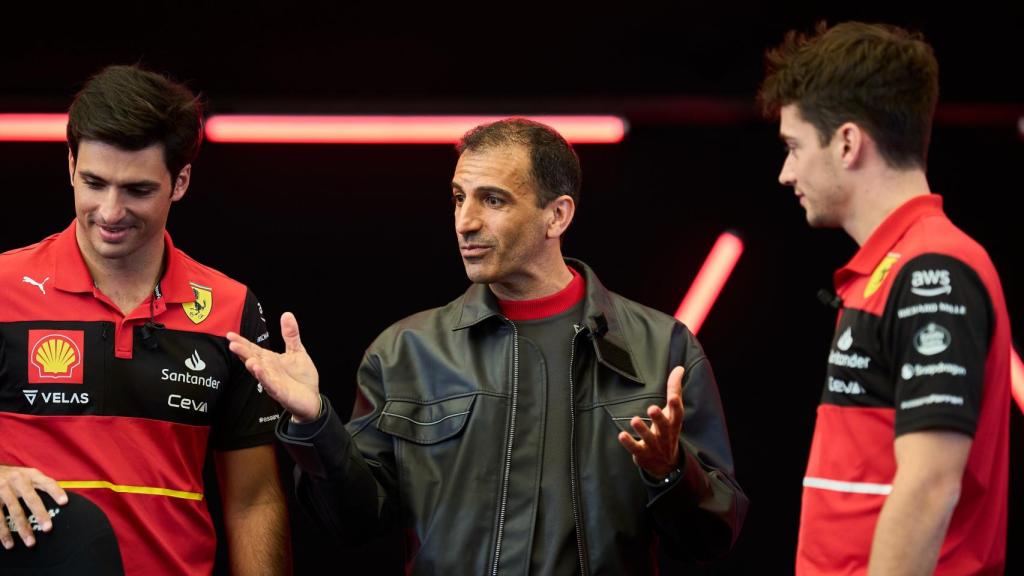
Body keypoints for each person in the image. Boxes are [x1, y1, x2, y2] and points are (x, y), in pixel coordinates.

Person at [228, 117, 747, 573]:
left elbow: (711, 539)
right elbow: (357, 523)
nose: (465, 221)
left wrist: (671, 472)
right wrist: (315, 424)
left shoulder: (661, 348)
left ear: (557, 216)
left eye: (492, 200)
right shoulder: (407, 351)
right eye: (459, 197)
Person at [0, 64, 289, 575]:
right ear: (70, 165)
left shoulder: (230, 308)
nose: (109, 211)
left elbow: (254, 498)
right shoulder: (3, 287)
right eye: (93, 182)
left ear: (180, 182)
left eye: (136, 190)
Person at [759, 22, 1011, 574]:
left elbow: (929, 485)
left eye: (794, 148)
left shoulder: (933, 271)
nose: (785, 173)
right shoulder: (894, 268)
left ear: (847, 142)